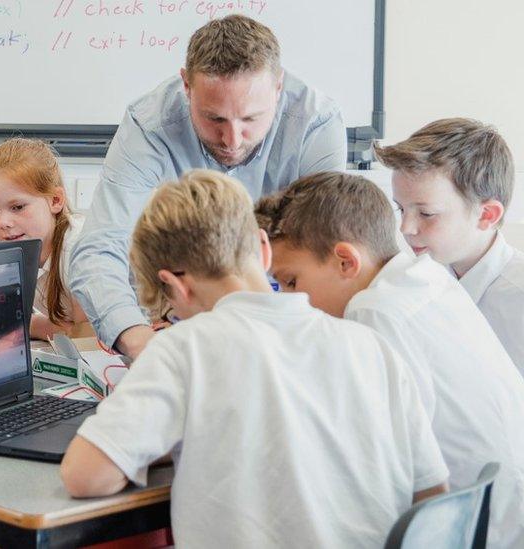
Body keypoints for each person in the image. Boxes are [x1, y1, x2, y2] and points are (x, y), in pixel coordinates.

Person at [60, 169, 448, 547]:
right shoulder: (371, 346)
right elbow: (432, 491)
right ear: (263, 249)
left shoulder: (184, 348)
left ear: (174, 285)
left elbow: (85, 476)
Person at [256, 171, 524, 547]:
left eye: (292, 282)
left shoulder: (373, 311)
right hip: (491, 511)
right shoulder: (426, 277)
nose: (287, 298)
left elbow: (377, 458)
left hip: (463, 527)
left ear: (346, 262)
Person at [69, 14, 346, 358]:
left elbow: (326, 253)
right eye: (214, 118)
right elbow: (99, 248)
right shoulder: (149, 126)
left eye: (250, 119)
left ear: (278, 88)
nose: (232, 140)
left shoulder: (316, 124)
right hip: (181, 322)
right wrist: (136, 337)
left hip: (285, 327)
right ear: (186, 85)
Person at [376, 118, 524, 373]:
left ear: (486, 215)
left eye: (426, 214)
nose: (405, 228)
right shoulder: (420, 282)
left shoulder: (516, 299)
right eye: (401, 209)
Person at [0, 138, 91, 340]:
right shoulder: (0, 247)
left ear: (56, 200)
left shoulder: (78, 248)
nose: (3, 222)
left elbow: (88, 337)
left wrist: (32, 325)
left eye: (18, 207)